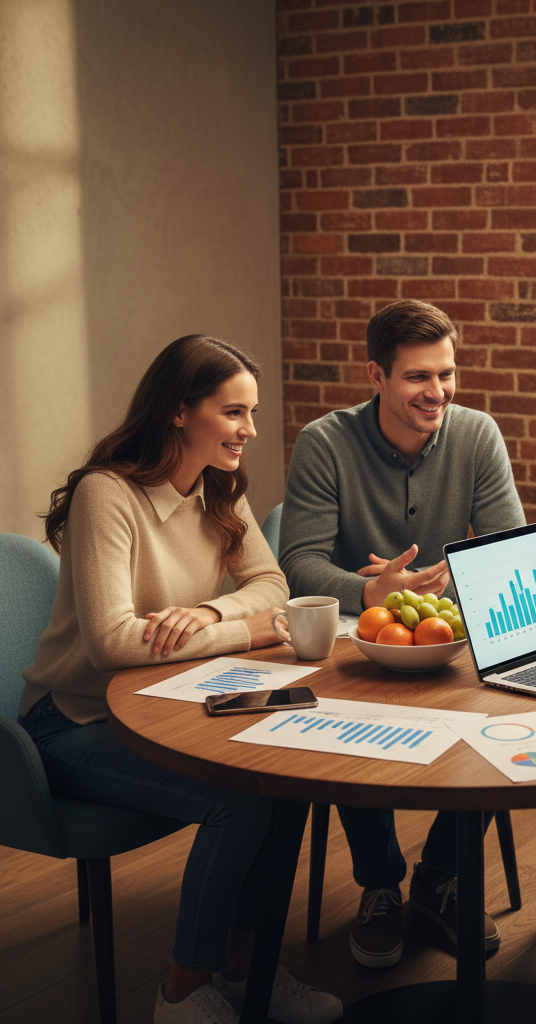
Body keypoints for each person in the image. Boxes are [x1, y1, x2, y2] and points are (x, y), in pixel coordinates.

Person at [19, 335, 343, 1024]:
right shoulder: (105, 494)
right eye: (233, 412)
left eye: (251, 413)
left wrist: (210, 611)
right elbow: (112, 643)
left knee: (279, 777)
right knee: (240, 803)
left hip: (164, 700)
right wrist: (246, 631)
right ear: (177, 410)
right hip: (71, 722)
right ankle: (181, 990)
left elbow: (272, 583)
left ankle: (247, 967)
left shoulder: (218, 487)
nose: (249, 430)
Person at [279, 299, 525, 968]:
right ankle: (381, 884)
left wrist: (459, 599)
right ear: (377, 376)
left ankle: (440, 876)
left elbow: (505, 551)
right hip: (355, 643)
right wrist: (370, 591)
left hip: (447, 635)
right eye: (418, 376)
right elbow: (297, 562)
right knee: (343, 717)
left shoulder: (477, 434)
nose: (437, 391)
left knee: (506, 708)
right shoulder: (325, 442)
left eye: (446, 373)